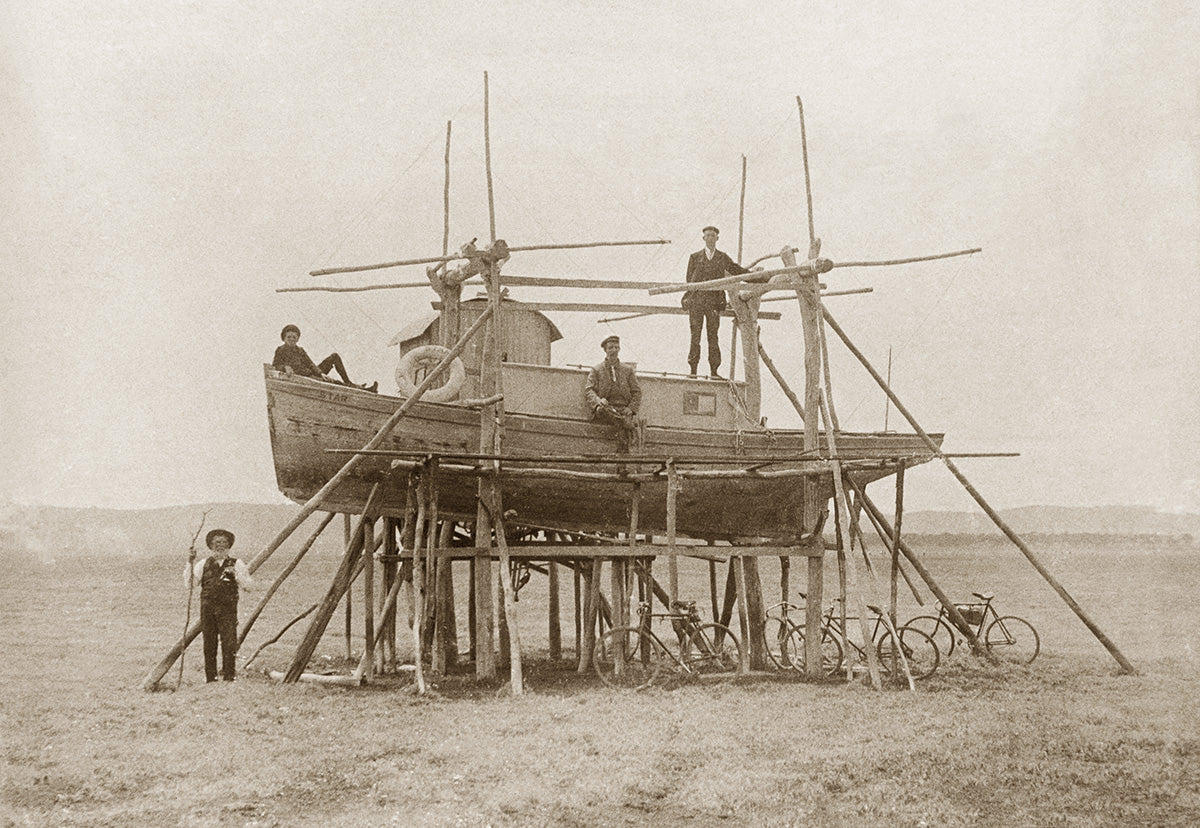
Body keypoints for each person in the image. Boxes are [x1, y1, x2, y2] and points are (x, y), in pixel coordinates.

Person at [186, 529, 252, 683]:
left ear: (229, 545)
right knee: (209, 643)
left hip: (228, 610)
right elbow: (190, 584)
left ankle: (229, 677)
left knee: (229, 643)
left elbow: (249, 587)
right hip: (207, 610)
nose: (220, 546)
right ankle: (211, 678)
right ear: (210, 545)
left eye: (224, 542)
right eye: (217, 543)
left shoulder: (237, 564)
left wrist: (236, 575)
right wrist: (190, 562)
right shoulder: (203, 564)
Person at [684, 225, 750, 378]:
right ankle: (693, 371)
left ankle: (714, 371)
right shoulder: (695, 257)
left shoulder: (722, 257)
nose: (710, 238)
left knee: (713, 337)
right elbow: (689, 280)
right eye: (707, 236)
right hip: (697, 303)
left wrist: (756, 277)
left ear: (717, 238)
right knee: (695, 336)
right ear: (703, 238)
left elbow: (736, 270)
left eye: (713, 236)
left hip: (714, 303)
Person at [272, 324, 378, 393]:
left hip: (312, 373)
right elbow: (275, 366)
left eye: (294, 337)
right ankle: (364, 390)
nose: (291, 339)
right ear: (284, 338)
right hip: (304, 378)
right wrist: (285, 367)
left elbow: (311, 364)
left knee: (334, 357)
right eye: (289, 337)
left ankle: (349, 382)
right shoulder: (281, 350)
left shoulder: (300, 350)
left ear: (298, 339)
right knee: (335, 383)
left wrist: (321, 373)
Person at [584, 335, 642, 452]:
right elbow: (589, 390)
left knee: (622, 419)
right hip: (606, 408)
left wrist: (631, 409)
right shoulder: (596, 370)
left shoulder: (628, 370)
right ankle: (626, 424)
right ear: (605, 350)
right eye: (610, 348)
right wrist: (598, 401)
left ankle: (621, 459)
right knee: (603, 410)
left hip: (623, 409)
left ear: (619, 349)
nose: (614, 350)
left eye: (616, 347)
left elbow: (637, 392)